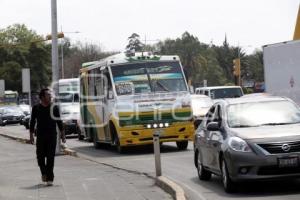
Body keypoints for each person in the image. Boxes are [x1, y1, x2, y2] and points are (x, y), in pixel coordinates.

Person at [29, 88, 66, 186]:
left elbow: (59, 121)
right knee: (40, 157)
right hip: (40, 137)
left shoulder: (54, 107)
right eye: (48, 95)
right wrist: (31, 136)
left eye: (50, 95)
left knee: (50, 157)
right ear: (42, 97)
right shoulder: (36, 108)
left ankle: (50, 178)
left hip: (52, 136)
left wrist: (63, 135)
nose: (50, 97)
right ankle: (44, 173)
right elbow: (32, 122)